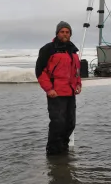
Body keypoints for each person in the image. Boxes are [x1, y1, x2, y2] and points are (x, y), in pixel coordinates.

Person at [35, 21, 81, 155]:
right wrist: (49, 89)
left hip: (70, 92)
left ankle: (63, 149)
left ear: (70, 34)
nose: (65, 34)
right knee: (58, 123)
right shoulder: (48, 49)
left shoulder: (73, 50)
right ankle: (53, 153)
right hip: (56, 93)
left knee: (70, 123)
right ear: (57, 33)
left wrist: (78, 84)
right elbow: (40, 71)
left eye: (67, 32)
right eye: (62, 32)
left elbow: (77, 71)